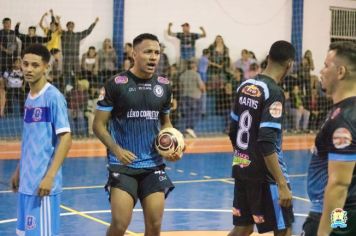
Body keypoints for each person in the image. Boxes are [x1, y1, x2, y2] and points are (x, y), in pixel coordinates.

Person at [93, 33, 182, 236]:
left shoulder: (164, 85)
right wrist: (117, 149)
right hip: (122, 164)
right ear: (134, 53)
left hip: (153, 164)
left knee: (155, 225)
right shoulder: (116, 84)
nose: (153, 57)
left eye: (157, 52)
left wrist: (173, 148)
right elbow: (98, 125)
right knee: (120, 224)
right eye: (148, 52)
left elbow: (166, 123)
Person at [228, 40, 295, 236]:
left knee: (243, 227)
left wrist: (245, 156)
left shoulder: (245, 85)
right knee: (283, 229)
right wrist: (281, 183)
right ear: (289, 63)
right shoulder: (274, 92)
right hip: (266, 176)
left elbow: (233, 130)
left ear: (268, 58)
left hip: (242, 167)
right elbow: (267, 141)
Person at [10, 44, 72, 235]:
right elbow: (30, 139)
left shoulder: (53, 97)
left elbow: (66, 138)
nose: (28, 69)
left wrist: (50, 176)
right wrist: (20, 170)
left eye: (35, 65)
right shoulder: (29, 97)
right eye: (25, 64)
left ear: (46, 67)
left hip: (43, 187)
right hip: (27, 185)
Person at [302, 41, 356, 236]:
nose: (321, 71)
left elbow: (339, 185)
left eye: (326, 65)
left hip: (337, 212)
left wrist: (324, 232)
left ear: (340, 72)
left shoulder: (344, 119)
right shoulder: (341, 110)